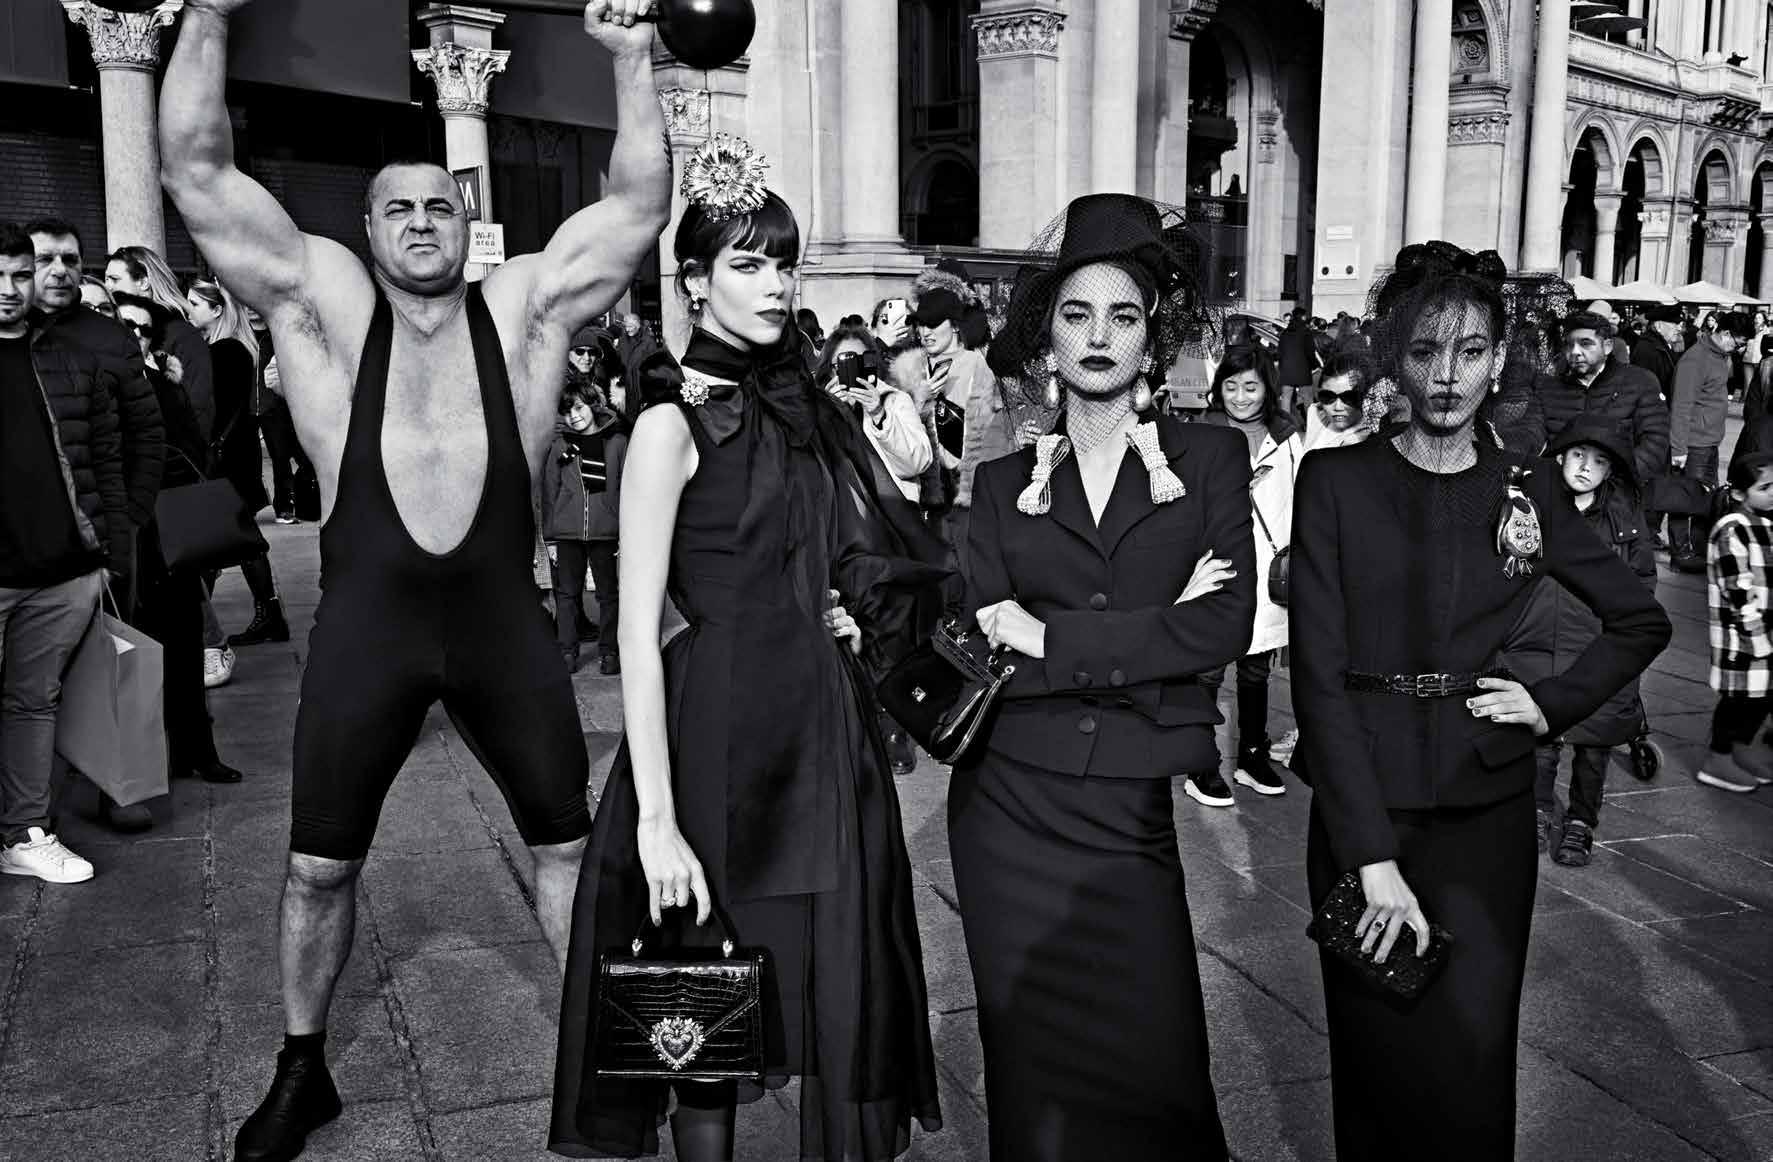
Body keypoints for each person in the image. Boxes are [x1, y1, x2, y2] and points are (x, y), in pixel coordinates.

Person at [158, 2, 672, 1158]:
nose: (422, 222)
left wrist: (634, 59)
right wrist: (210, 17)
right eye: (399, 207)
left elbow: (638, 209)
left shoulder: (524, 308)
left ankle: (604, 1053)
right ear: (368, 226)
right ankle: (302, 1068)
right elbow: (196, 172)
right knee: (316, 864)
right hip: (368, 630)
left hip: (501, 625)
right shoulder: (322, 305)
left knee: (566, 847)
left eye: (440, 205)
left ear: (467, 221)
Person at [549, 155, 947, 1161]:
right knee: (701, 1007)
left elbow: (848, 552)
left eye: (785, 264)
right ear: (693, 281)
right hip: (718, 732)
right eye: (748, 264)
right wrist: (656, 820)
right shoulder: (665, 427)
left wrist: (839, 615)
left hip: (821, 727)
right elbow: (635, 632)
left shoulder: (807, 412)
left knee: (832, 977)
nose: (776, 285)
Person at [1290, 241, 1670, 1160]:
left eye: (1468, 351)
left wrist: (1548, 705)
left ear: (1498, 359)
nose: (1446, 375)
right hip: (1364, 804)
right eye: (1424, 351)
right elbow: (1316, 676)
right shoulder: (1335, 480)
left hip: (1485, 811)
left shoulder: (1526, 486)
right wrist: (1370, 856)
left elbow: (1638, 620)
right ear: (1395, 359)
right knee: (1377, 1065)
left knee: (1471, 1060)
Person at [955, 193, 1252, 1160]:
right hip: (1007, 806)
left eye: (1122, 316)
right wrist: (1152, 634)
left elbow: (1223, 624)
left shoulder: (1208, 459)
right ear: (1046, 335)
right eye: (1075, 314)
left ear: (1151, 337)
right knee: (1031, 1068)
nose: (1096, 336)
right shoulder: (1000, 483)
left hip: (1128, 806)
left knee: (1156, 1060)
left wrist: (1049, 640)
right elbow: (986, 636)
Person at [0, 222, 127, 884]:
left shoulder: (67, 356)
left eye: (19, 275)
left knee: (33, 703)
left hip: (64, 571)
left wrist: (107, 554)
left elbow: (106, 458)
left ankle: (25, 832)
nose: (9, 289)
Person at [1503, 416, 1658, 867]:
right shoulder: (1530, 506)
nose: (1586, 467)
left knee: (1595, 745)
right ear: (1559, 457)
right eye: (1577, 455)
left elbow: (1642, 580)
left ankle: (1581, 821)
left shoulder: (1623, 520)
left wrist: (1621, 636)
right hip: (1534, 643)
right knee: (1540, 740)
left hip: (1596, 648)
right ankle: (1536, 812)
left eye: (1599, 461)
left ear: (1611, 470)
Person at [114, 292, 248, 791]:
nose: (132, 334)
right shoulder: (100, 385)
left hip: (169, 529)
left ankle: (198, 749)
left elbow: (193, 447)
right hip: (125, 534)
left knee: (185, 642)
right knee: (137, 649)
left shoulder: (163, 386)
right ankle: (153, 755)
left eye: (142, 329)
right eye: (123, 325)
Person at [27, 220, 165, 598]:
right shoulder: (12, 333)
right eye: (45, 259)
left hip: (105, 530)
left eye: (70, 260)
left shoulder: (111, 337)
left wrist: (130, 518)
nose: (60, 270)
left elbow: (147, 433)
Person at [1190, 343, 1299, 806]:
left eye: (1250, 387)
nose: (1239, 397)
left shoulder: (1288, 436)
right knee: (1209, 668)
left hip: (1267, 568)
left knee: (1256, 669)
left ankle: (1252, 756)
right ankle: (1201, 763)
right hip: (1216, 563)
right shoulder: (1202, 432)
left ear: (1267, 388)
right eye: (1231, 386)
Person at [186, 278, 289, 646]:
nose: (188, 310)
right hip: (233, 457)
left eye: (194, 304)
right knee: (234, 539)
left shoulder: (226, 350)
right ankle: (264, 616)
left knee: (231, 540)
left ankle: (209, 625)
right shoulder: (231, 348)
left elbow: (219, 411)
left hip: (226, 459)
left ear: (217, 310)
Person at [1695, 451, 1773, 794]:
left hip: (1766, 631)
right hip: (1741, 634)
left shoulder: (1764, 525)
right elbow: (1737, 589)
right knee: (1738, 697)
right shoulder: (1731, 530)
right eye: (1765, 488)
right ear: (1740, 492)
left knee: (1760, 696)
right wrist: (1755, 632)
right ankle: (1718, 757)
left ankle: (1741, 748)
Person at [917, 287, 1013, 564]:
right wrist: (919, 400)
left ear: (955, 325)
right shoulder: (910, 367)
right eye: (921, 324)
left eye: (934, 323)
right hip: (921, 494)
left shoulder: (975, 364)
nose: (925, 332)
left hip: (964, 494)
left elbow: (989, 435)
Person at [543, 386, 624, 675]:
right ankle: (567, 651)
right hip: (567, 533)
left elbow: (628, 489)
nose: (573, 416)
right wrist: (550, 538)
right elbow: (550, 491)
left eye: (578, 408)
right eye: (567, 412)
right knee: (566, 594)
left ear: (593, 405)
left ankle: (609, 652)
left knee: (608, 595)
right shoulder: (560, 447)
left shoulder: (617, 443)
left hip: (606, 531)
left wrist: (626, 532)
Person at [1536, 309, 1669, 487]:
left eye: (1585, 343)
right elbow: (1533, 433)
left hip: (1620, 492)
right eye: (1568, 344)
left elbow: (1655, 443)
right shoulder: (1549, 388)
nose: (1575, 352)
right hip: (1559, 491)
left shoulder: (1640, 382)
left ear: (1607, 346)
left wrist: (1611, 481)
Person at [1669, 310, 1753, 571]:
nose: (1739, 349)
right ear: (1725, 334)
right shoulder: (1695, 359)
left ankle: (1698, 548)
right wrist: (1678, 448)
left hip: (1709, 442)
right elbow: (1681, 405)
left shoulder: (1720, 356)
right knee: (1685, 500)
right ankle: (1681, 553)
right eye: (1738, 343)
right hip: (1693, 444)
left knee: (1707, 499)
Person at [816, 319, 931, 503]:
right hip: (843, 512)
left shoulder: (895, 400)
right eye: (845, 364)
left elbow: (916, 464)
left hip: (891, 511)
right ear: (830, 371)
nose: (854, 372)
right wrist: (826, 415)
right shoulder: (817, 409)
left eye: (860, 362)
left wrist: (879, 414)